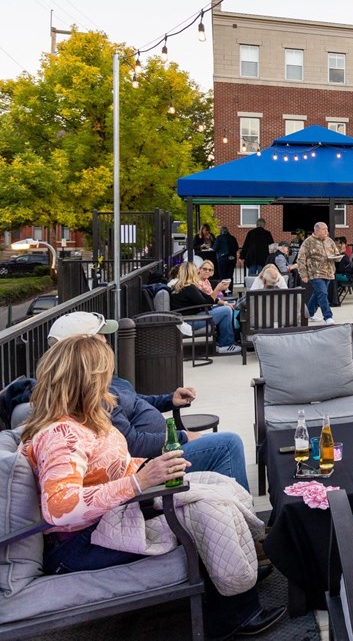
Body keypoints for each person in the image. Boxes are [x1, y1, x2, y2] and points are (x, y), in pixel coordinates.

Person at [20, 335, 284, 639]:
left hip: (109, 521)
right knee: (204, 509)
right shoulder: (60, 435)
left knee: (216, 484)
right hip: (81, 544)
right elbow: (60, 508)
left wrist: (149, 469)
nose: (108, 383)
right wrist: (137, 482)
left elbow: (110, 469)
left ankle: (237, 572)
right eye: (103, 375)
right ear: (87, 380)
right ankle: (236, 613)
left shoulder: (83, 421)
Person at [45, 311, 251, 491]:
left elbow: (133, 400)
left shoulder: (100, 379)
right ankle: (251, 528)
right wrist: (183, 437)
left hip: (161, 453)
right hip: (152, 463)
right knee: (228, 445)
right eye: (100, 336)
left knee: (224, 445)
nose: (106, 341)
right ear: (82, 347)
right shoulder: (91, 394)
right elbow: (132, 444)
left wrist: (168, 400)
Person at [170, 262, 241, 354]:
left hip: (190, 317)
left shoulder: (181, 286)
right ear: (192, 273)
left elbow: (207, 298)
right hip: (190, 320)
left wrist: (225, 303)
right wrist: (217, 289)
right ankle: (225, 345)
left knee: (226, 308)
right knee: (226, 311)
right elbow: (206, 304)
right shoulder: (189, 288)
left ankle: (223, 342)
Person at [296, 222, 342, 325]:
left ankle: (308, 314)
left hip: (329, 272)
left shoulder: (329, 241)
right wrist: (303, 274)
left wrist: (337, 257)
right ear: (317, 230)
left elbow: (336, 253)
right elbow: (301, 259)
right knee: (323, 293)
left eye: (327, 229)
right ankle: (328, 316)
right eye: (324, 229)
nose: (327, 231)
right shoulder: (308, 242)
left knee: (317, 294)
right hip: (315, 273)